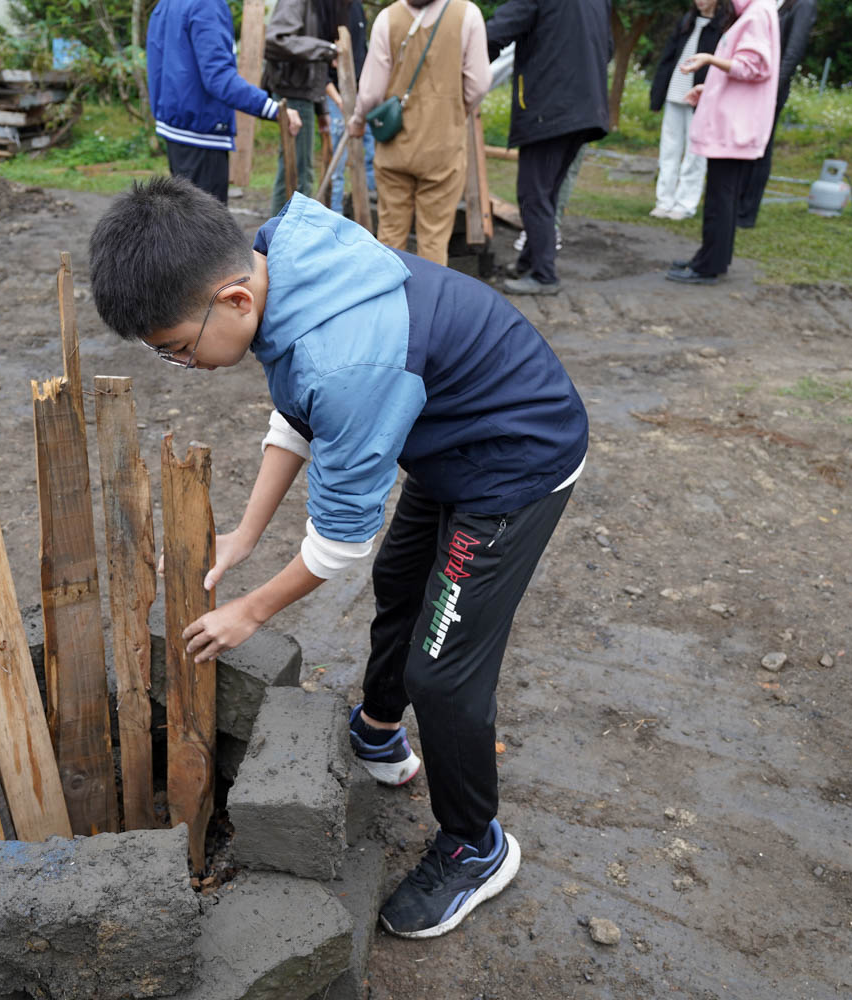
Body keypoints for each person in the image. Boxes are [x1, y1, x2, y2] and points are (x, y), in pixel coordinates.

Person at [88, 177, 587, 939]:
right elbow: (300, 411)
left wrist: (250, 611)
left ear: (233, 302)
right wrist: (246, 535)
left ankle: (476, 847)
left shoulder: (345, 363)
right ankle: (380, 732)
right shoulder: (278, 255)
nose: (182, 366)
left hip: (514, 464)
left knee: (443, 669)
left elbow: (341, 538)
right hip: (442, 436)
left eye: (177, 352)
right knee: (400, 582)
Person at [347, 0, 489, 265]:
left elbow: (370, 93)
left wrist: (357, 121)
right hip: (443, 148)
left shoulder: (388, 18)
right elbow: (479, 84)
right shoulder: (467, 14)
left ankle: (386, 300)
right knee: (434, 238)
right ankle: (429, 302)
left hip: (394, 146)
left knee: (389, 233)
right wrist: (456, 109)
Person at [485, 0, 613, 296]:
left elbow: (495, 34)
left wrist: (467, 68)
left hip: (550, 108)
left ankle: (544, 275)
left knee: (534, 193)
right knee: (548, 191)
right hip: (586, 109)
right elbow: (608, 49)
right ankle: (529, 261)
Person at [665, 0, 779, 284]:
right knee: (722, 194)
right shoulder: (754, 13)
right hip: (734, 120)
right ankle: (712, 258)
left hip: (734, 125)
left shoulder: (757, 13)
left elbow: (753, 67)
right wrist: (711, 87)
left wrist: (708, 59)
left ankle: (708, 266)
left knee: (720, 197)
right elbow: (741, 72)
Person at [148, 0, 302, 203]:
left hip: (176, 129)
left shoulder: (167, 4)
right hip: (202, 134)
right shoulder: (207, 5)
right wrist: (273, 109)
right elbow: (218, 77)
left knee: (185, 225)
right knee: (206, 230)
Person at [737, 0, 817, 227]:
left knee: (761, 147)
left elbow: (793, 52)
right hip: (751, 84)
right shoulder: (770, 4)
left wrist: (772, 89)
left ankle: (746, 212)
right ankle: (734, 204)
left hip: (772, 88)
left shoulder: (804, 5)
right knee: (744, 142)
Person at [648, 0, 730, 220]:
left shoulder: (724, 25)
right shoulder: (686, 20)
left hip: (701, 97)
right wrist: (657, 96)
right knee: (669, 149)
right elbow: (667, 58)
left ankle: (685, 203)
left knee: (695, 153)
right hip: (675, 93)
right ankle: (664, 200)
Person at [265, 0, 340, 215]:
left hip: (305, 95)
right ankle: (279, 239)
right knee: (295, 174)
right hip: (293, 96)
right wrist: (328, 49)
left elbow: (313, 64)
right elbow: (276, 40)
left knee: (299, 170)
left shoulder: (317, 6)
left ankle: (281, 236)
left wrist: (321, 107)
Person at [321, 0, 375, 214]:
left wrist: (366, 93)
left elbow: (363, 52)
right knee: (338, 162)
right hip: (338, 96)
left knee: (370, 154)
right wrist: (338, 99)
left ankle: (371, 211)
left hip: (362, 96)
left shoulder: (357, 7)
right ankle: (335, 214)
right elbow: (320, 66)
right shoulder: (328, 8)